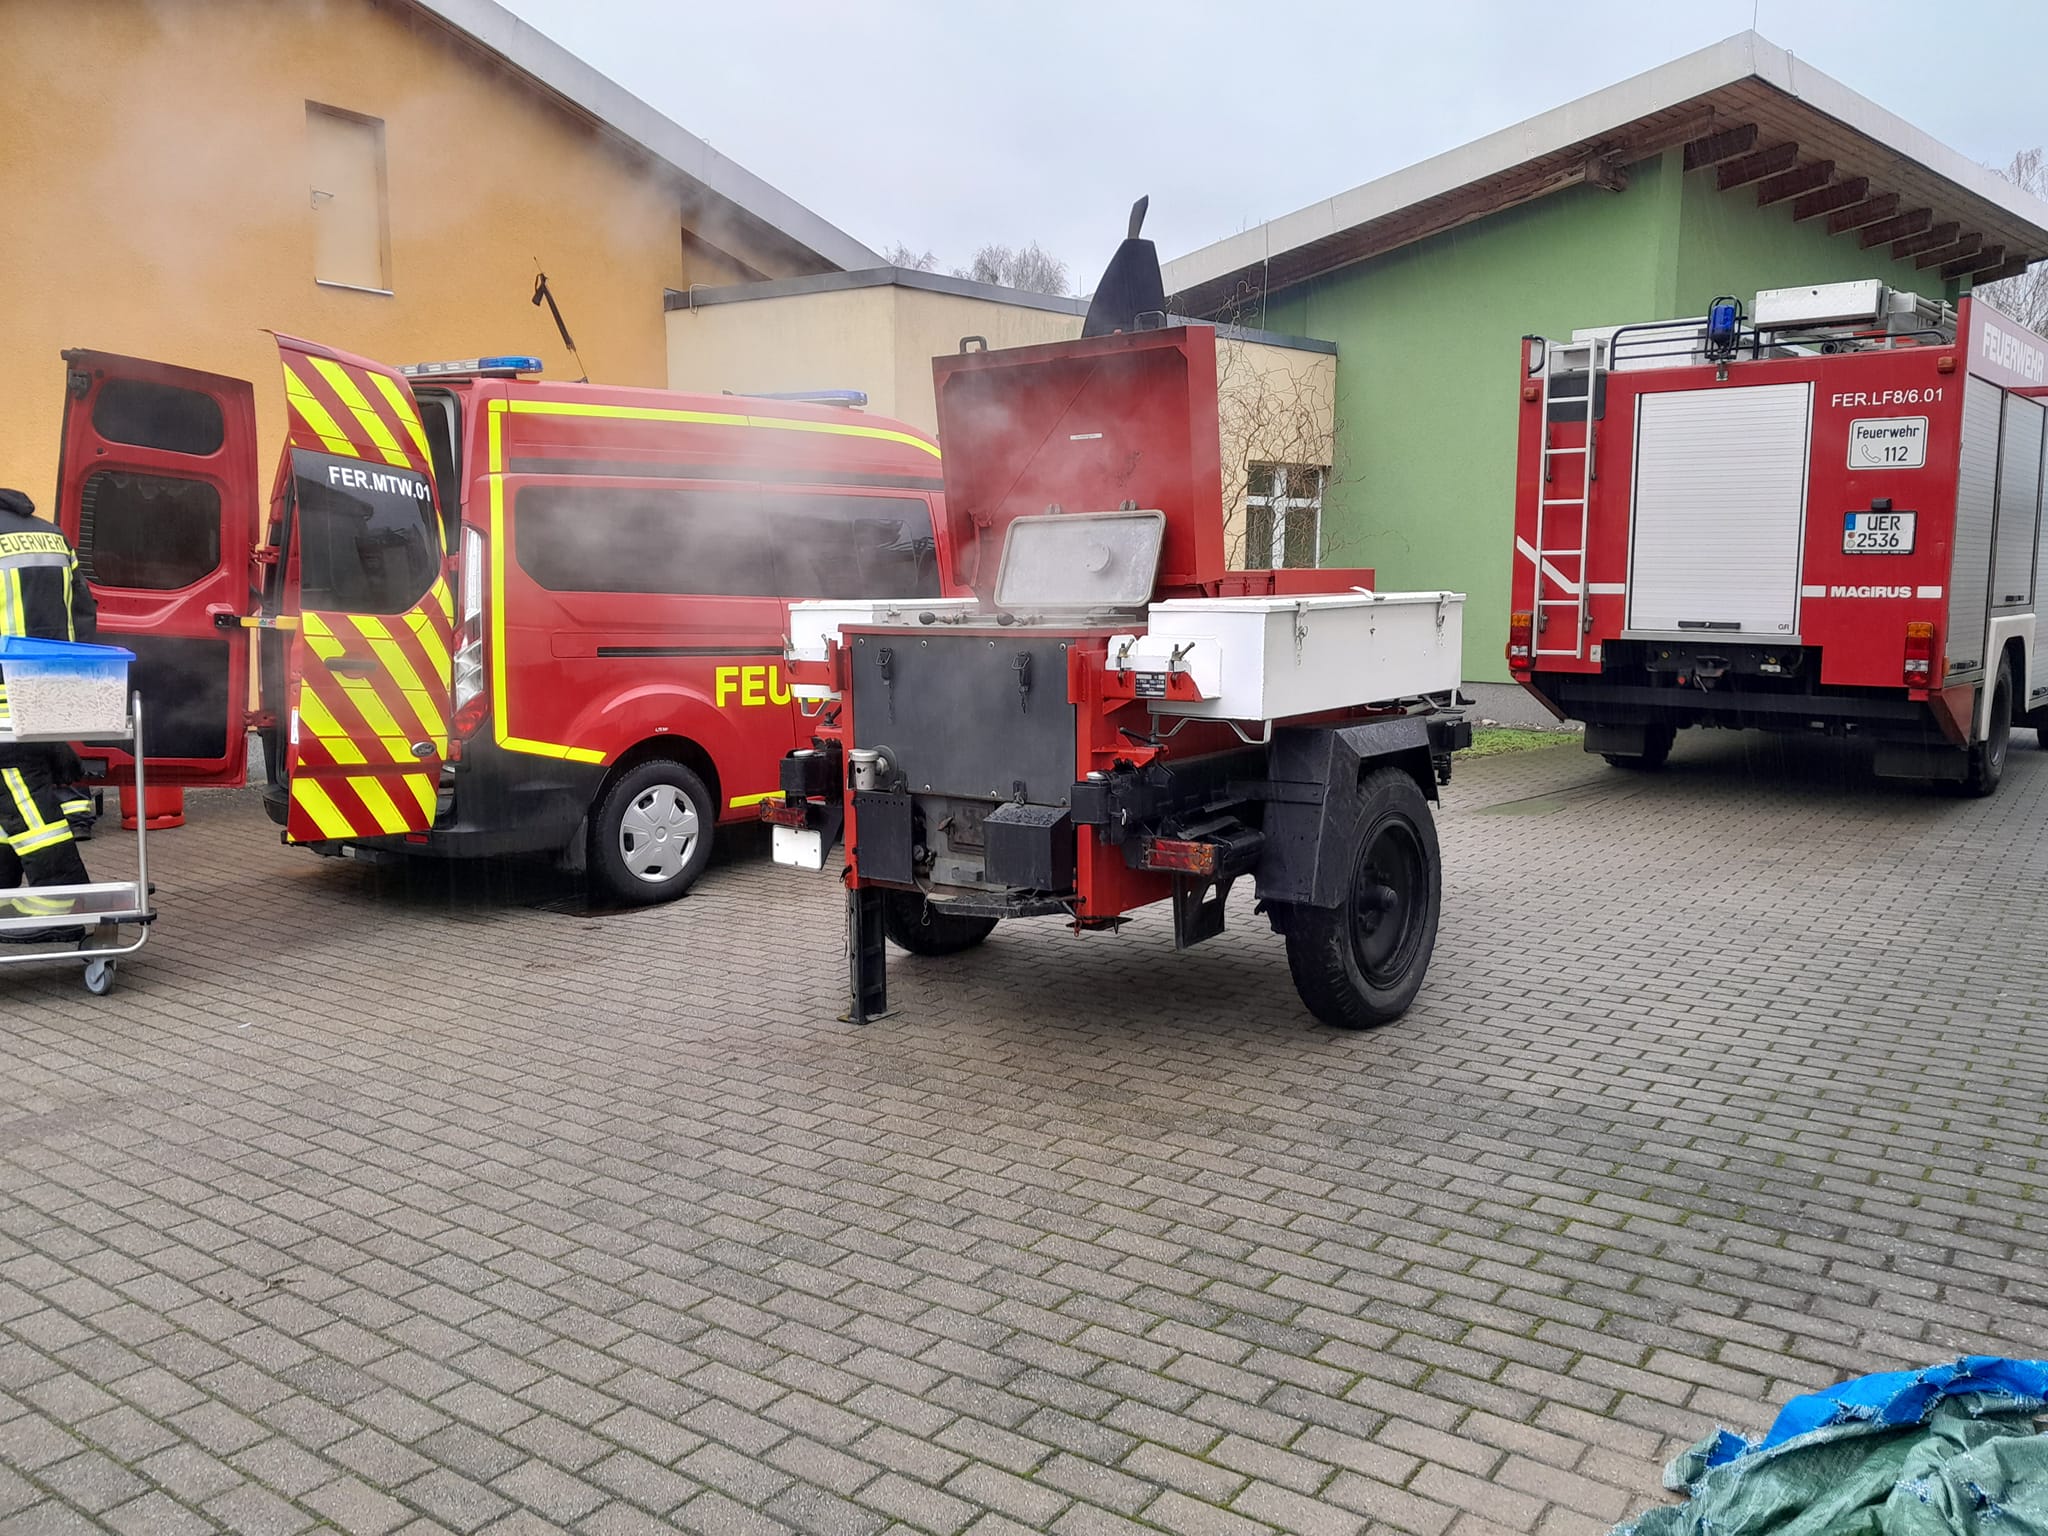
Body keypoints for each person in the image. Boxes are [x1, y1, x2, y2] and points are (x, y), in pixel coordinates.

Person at [0, 487, 97, 907]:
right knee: (16, 795)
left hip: (4, 699)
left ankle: (64, 901)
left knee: (21, 794)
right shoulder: (50, 535)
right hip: (50, 692)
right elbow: (83, 612)